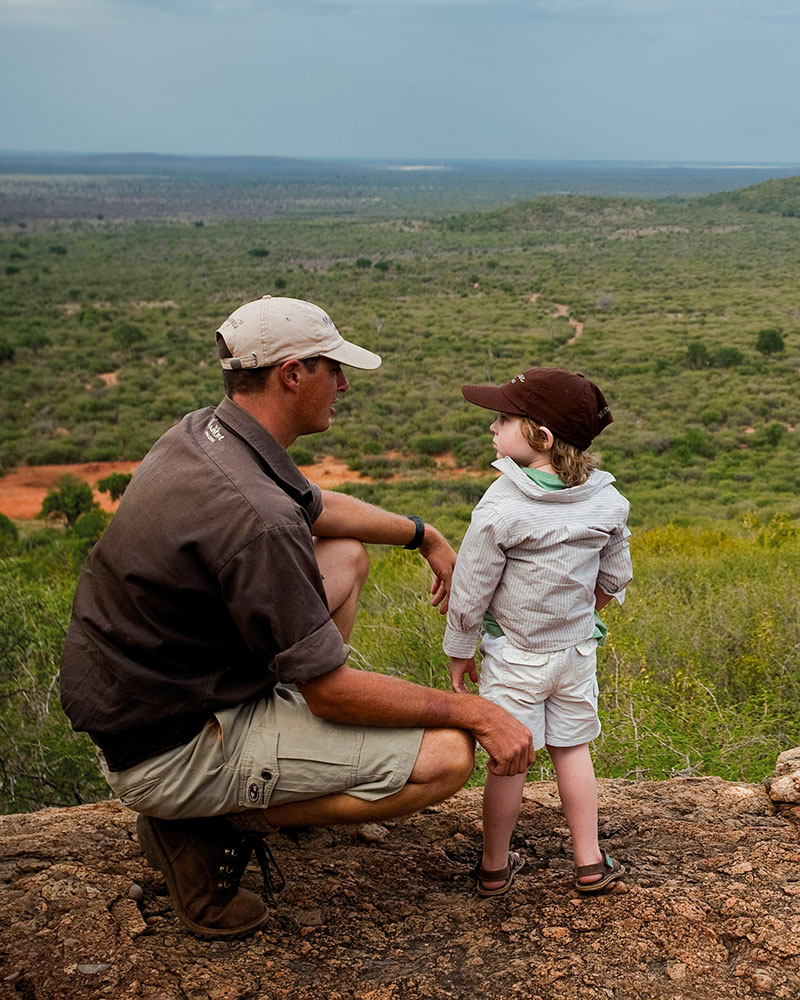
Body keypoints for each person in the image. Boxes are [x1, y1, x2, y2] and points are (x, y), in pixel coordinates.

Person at [59, 295, 534, 940]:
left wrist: (424, 535)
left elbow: (314, 508)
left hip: (154, 695)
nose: (341, 385)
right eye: (331, 369)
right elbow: (332, 692)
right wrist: (478, 712)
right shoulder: (255, 518)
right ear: (291, 374)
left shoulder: (206, 434)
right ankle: (204, 823)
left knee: (344, 555)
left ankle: (247, 771)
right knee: (448, 756)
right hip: (173, 746)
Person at [443, 367, 633, 897]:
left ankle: (495, 867)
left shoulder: (501, 505)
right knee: (573, 751)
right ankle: (590, 862)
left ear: (541, 439)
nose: (493, 428)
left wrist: (459, 652)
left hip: (515, 657)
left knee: (510, 760)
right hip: (575, 652)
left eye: (504, 420)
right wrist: (581, 613)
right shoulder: (607, 502)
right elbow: (616, 575)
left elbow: (471, 589)